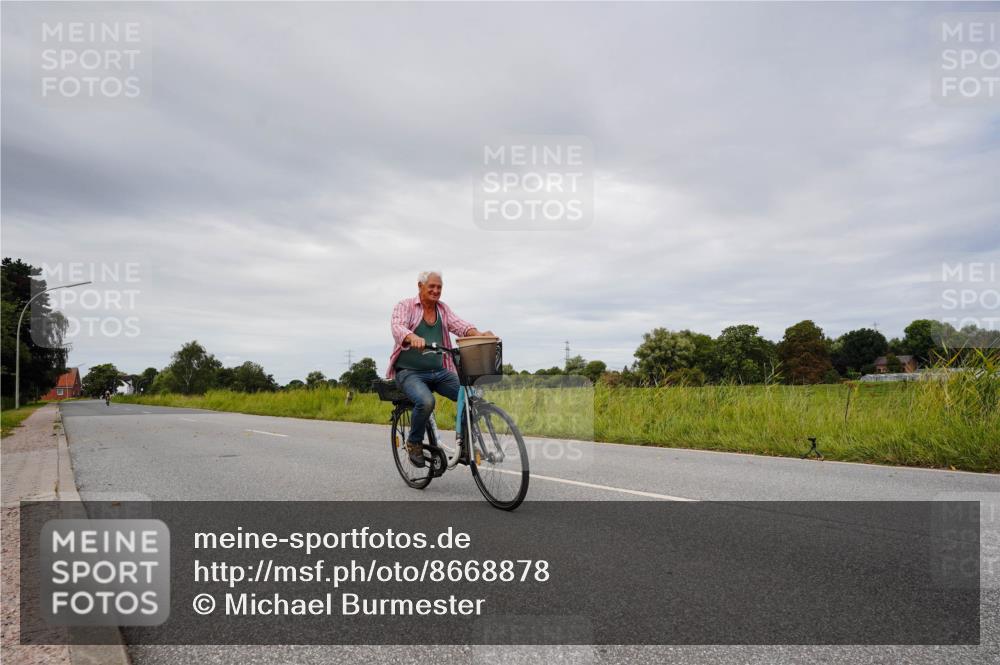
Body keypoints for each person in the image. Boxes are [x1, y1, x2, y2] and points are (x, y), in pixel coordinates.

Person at [387, 271, 493, 467]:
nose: (436, 291)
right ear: (420, 286)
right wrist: (412, 337)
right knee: (427, 401)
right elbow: (397, 326)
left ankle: (465, 445)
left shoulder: (442, 309)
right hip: (409, 372)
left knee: (470, 395)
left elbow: (461, 326)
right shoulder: (405, 306)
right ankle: (414, 443)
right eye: (431, 287)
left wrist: (478, 334)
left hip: (439, 371)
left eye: (439, 287)